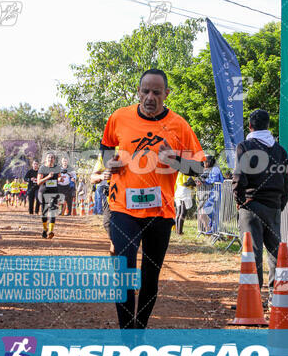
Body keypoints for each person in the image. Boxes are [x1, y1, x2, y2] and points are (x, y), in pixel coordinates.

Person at [101, 68, 204, 329]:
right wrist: (108, 162)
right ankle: (127, 334)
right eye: (145, 91)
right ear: (138, 91)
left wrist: (176, 161)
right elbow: (106, 145)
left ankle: (139, 328)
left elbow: (199, 168)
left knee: (150, 277)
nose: (150, 97)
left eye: (156, 92)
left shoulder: (179, 125)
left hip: (161, 211)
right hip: (123, 207)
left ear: (166, 94)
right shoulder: (119, 117)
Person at [233, 109, 288, 306]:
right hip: (273, 206)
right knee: (276, 253)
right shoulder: (280, 151)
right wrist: (278, 206)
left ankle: (254, 300)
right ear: (268, 126)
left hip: (251, 206)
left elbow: (239, 178)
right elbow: (287, 184)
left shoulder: (245, 146)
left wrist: (241, 201)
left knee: (252, 254)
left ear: (250, 126)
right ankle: (278, 297)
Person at [90, 154, 113, 253]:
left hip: (128, 196)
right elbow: (92, 178)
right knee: (107, 223)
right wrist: (101, 176)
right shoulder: (104, 154)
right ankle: (115, 243)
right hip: (110, 197)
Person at [37, 152, 63, 239]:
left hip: (54, 192)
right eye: (49, 157)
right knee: (44, 212)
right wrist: (48, 177)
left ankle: (51, 231)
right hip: (43, 192)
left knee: (53, 211)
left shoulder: (57, 168)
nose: (50, 159)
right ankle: (45, 229)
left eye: (52, 158)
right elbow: (38, 182)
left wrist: (60, 179)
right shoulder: (42, 168)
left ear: (54, 159)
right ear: (46, 159)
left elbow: (58, 177)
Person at [196, 155, 224, 233]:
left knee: (209, 208)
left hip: (218, 191)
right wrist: (203, 181)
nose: (204, 164)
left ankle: (214, 229)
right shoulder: (214, 169)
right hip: (214, 190)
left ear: (209, 162)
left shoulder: (215, 169)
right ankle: (213, 225)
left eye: (205, 162)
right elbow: (210, 180)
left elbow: (214, 180)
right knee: (209, 208)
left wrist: (204, 180)